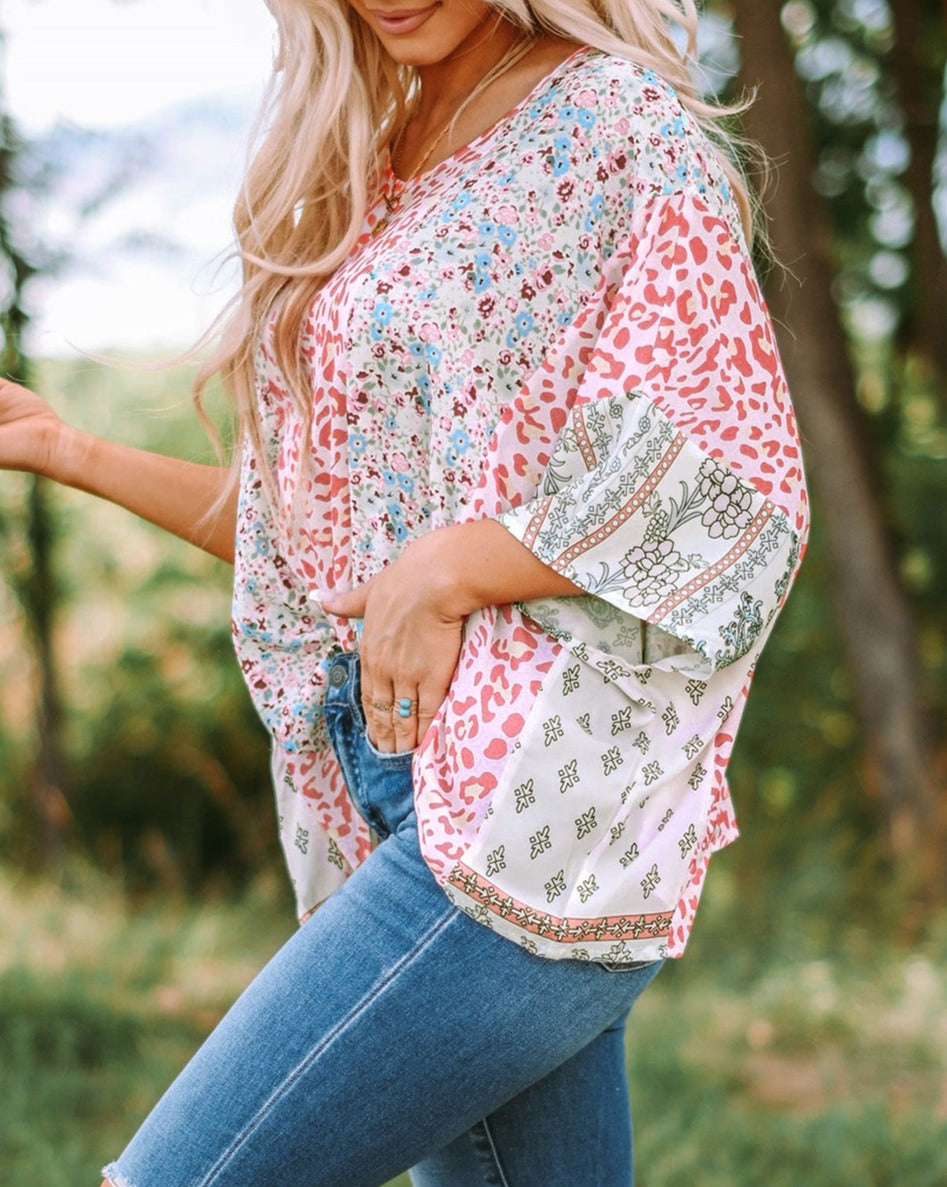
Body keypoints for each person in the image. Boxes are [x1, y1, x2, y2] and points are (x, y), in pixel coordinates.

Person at [1, 1, 809, 1183]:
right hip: (391, 784)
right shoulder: (378, 149)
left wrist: (452, 566)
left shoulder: (611, 123)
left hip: (523, 805)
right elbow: (324, 544)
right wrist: (70, 448)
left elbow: (726, 478)